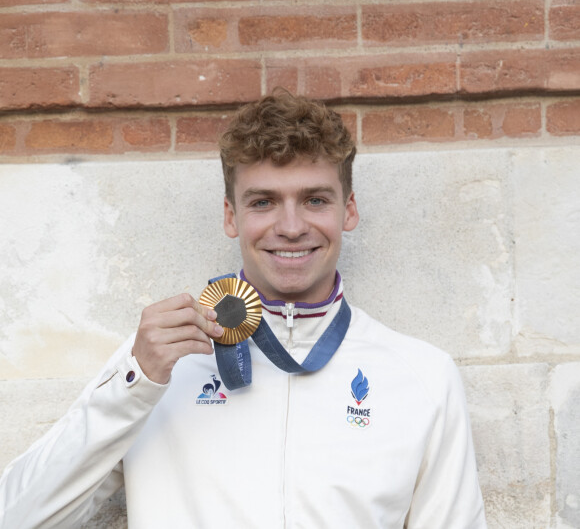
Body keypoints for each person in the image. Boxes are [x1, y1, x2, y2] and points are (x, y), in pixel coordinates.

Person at [0, 90, 487, 528]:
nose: (291, 226)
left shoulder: (423, 376)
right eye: (264, 202)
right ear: (232, 216)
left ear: (349, 210)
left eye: (315, 199)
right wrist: (134, 383)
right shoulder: (159, 368)